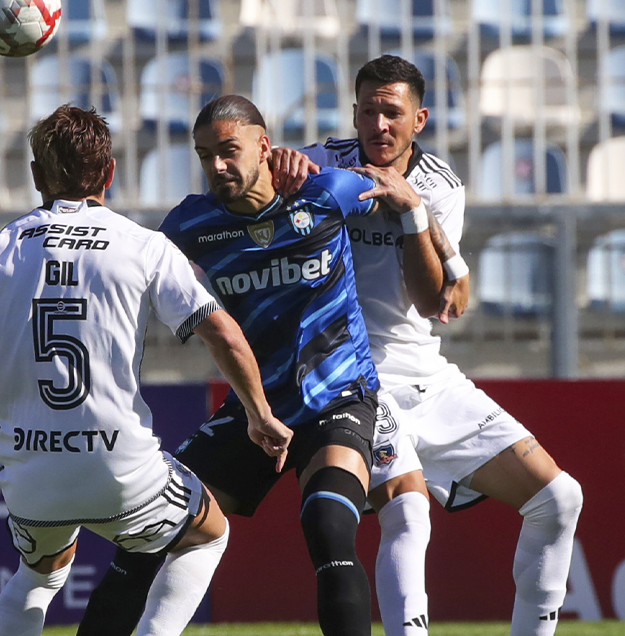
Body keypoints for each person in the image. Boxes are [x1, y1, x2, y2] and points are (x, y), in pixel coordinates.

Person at [0, 105, 293, 636]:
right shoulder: (144, 246)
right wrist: (260, 414)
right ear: (109, 174)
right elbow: (223, 332)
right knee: (206, 534)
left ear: (37, 175)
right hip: (120, 466)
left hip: (32, 469)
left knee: (38, 575)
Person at [272, 54, 584, 636]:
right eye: (368, 111)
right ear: (355, 115)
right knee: (409, 514)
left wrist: (410, 211)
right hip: (353, 378)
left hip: (428, 376)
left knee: (559, 499)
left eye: (392, 112)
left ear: (420, 119)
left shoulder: (440, 187)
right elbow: (253, 184)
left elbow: (431, 301)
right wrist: (278, 166)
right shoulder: (320, 163)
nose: (378, 125)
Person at [79, 94, 411, 636]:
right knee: (146, 535)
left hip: (339, 398)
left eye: (229, 151)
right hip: (255, 410)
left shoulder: (327, 192)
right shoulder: (190, 224)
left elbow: (394, 188)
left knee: (328, 525)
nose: (217, 166)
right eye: (205, 154)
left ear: (264, 145)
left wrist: (431, 232)